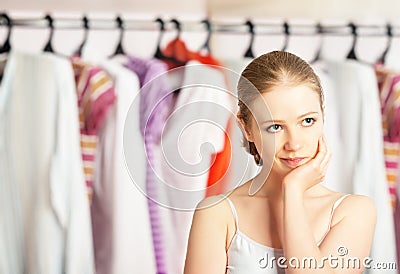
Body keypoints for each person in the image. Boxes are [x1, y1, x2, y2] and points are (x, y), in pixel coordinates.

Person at [183, 51, 377, 273]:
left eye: (307, 121)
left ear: (323, 117)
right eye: (275, 127)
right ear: (247, 129)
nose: (294, 144)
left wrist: (292, 191)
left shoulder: (353, 212)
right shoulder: (217, 213)